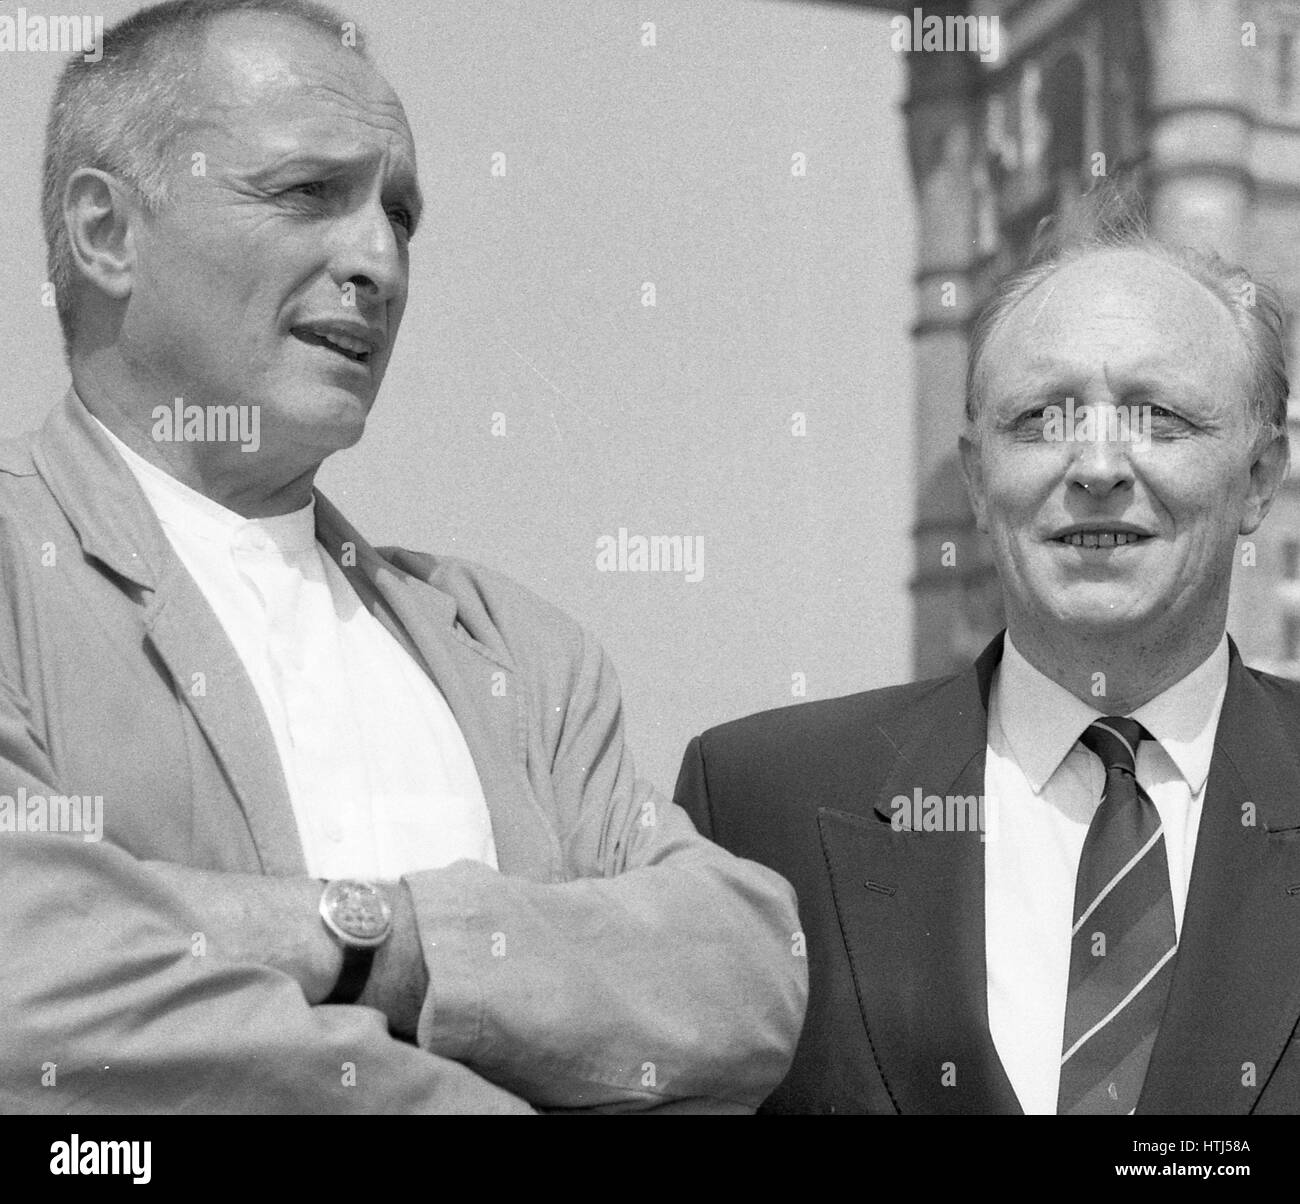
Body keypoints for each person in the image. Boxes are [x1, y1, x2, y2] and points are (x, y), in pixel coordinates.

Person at [0, 0, 806, 1115]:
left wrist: (365, 935)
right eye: (305, 194)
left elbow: (739, 975)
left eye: (401, 214)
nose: (378, 257)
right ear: (106, 233)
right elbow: (34, 1002)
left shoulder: (515, 650)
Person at [674, 190, 1300, 1114]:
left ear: (1259, 479)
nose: (1096, 467)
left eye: (1159, 417)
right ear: (974, 478)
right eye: (1042, 418)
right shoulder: (761, 804)